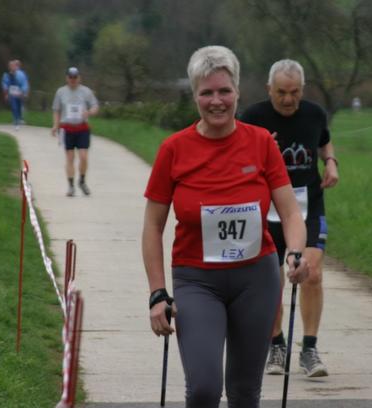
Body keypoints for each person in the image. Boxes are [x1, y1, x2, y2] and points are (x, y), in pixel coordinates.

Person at [142, 46, 309, 408]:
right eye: (207, 92)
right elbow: (153, 227)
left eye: (224, 91)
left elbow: (291, 213)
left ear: (237, 92)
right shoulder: (174, 149)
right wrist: (157, 293)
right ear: (195, 95)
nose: (216, 101)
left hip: (256, 278)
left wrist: (296, 252)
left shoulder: (261, 143)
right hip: (197, 280)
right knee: (203, 389)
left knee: (245, 393)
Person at [240, 59, 339, 378]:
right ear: (269, 89)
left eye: (294, 92)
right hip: (266, 207)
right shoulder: (252, 118)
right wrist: (258, 149)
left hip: (308, 204)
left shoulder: (314, 114)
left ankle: (309, 349)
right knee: (271, 280)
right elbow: (235, 156)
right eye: (281, 92)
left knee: (312, 273)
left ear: (302, 90)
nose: (288, 99)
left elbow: (323, 141)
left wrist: (331, 162)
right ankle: (276, 345)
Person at [51, 67, 99, 197]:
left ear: (79, 78)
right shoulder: (61, 92)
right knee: (70, 157)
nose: (73, 80)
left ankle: (82, 181)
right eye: (70, 77)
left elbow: (95, 106)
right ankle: (71, 186)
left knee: (83, 156)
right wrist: (55, 125)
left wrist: (89, 112)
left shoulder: (86, 91)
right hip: (67, 128)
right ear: (67, 78)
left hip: (82, 128)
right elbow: (56, 110)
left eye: (75, 77)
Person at [1, 60, 29, 129]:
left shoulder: (21, 74)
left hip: (19, 94)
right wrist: (6, 94)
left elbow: (24, 83)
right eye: (11, 66)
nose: (12, 67)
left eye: (14, 66)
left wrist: (23, 92)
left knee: (19, 106)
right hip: (12, 94)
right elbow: (5, 84)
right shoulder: (6, 75)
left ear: (16, 67)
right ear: (9, 67)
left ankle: (19, 118)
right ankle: (16, 120)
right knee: (14, 107)